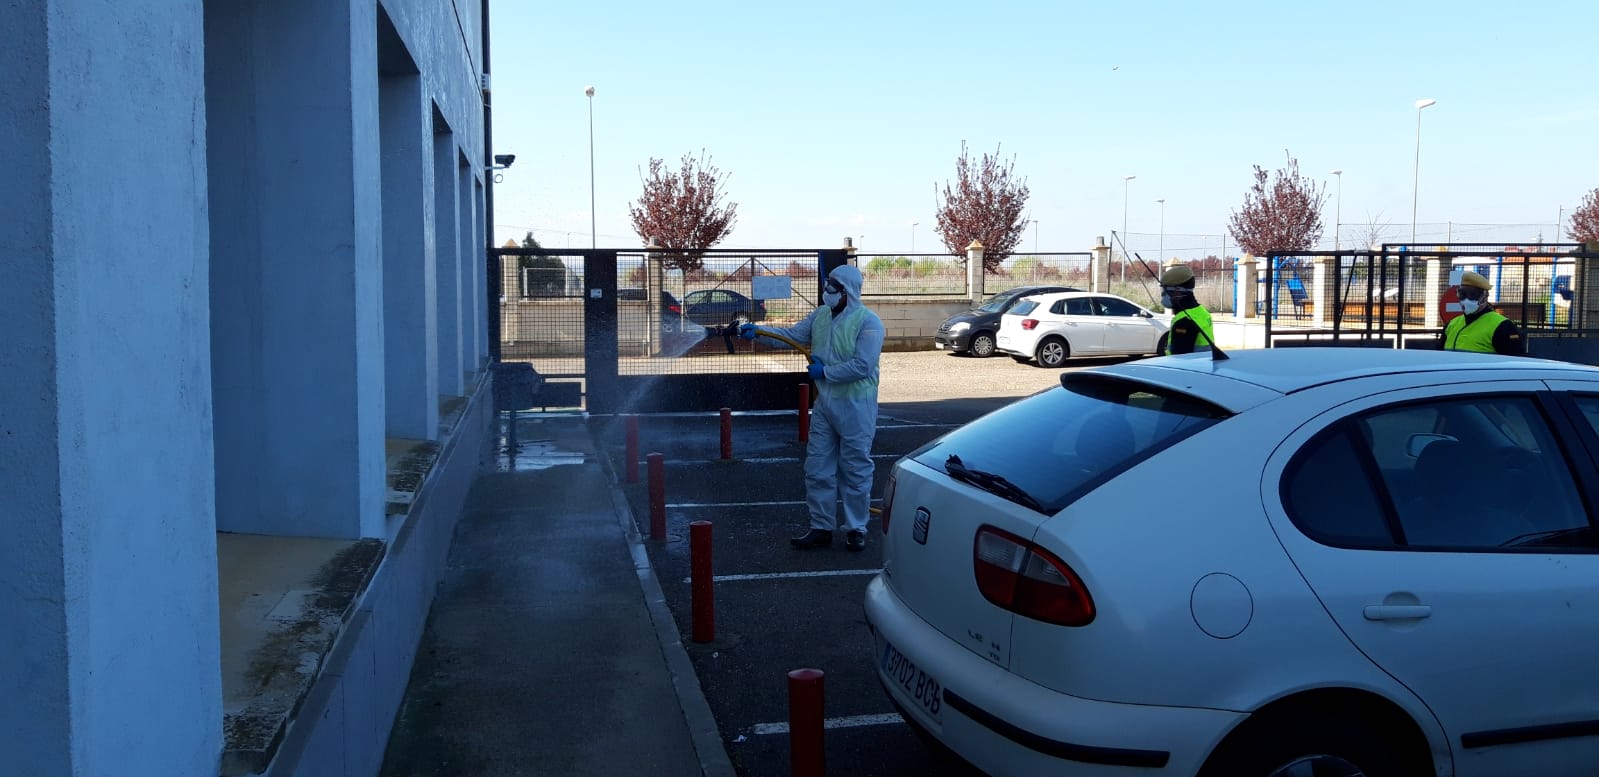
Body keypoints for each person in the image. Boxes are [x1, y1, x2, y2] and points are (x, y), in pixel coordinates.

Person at [740, 264, 884, 552]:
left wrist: (826, 373)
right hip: (825, 404)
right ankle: (821, 526)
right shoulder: (820, 316)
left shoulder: (869, 322)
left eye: (833, 286)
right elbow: (792, 335)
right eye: (828, 284)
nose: (827, 291)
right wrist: (759, 332)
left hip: (856, 405)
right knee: (817, 467)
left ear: (848, 291)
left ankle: (856, 528)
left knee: (855, 468)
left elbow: (863, 366)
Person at [1441, 270, 1525, 355]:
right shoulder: (1451, 325)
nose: (1466, 299)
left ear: (1485, 297)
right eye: (1462, 294)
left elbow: (1514, 362)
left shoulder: (1504, 326)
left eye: (1472, 295)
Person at [1159, 264, 1215, 355]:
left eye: (1165, 291)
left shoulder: (1184, 321)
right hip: (1203, 366)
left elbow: (1178, 359)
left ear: (1177, 291)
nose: (1163, 295)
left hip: (1188, 367)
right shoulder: (1201, 311)